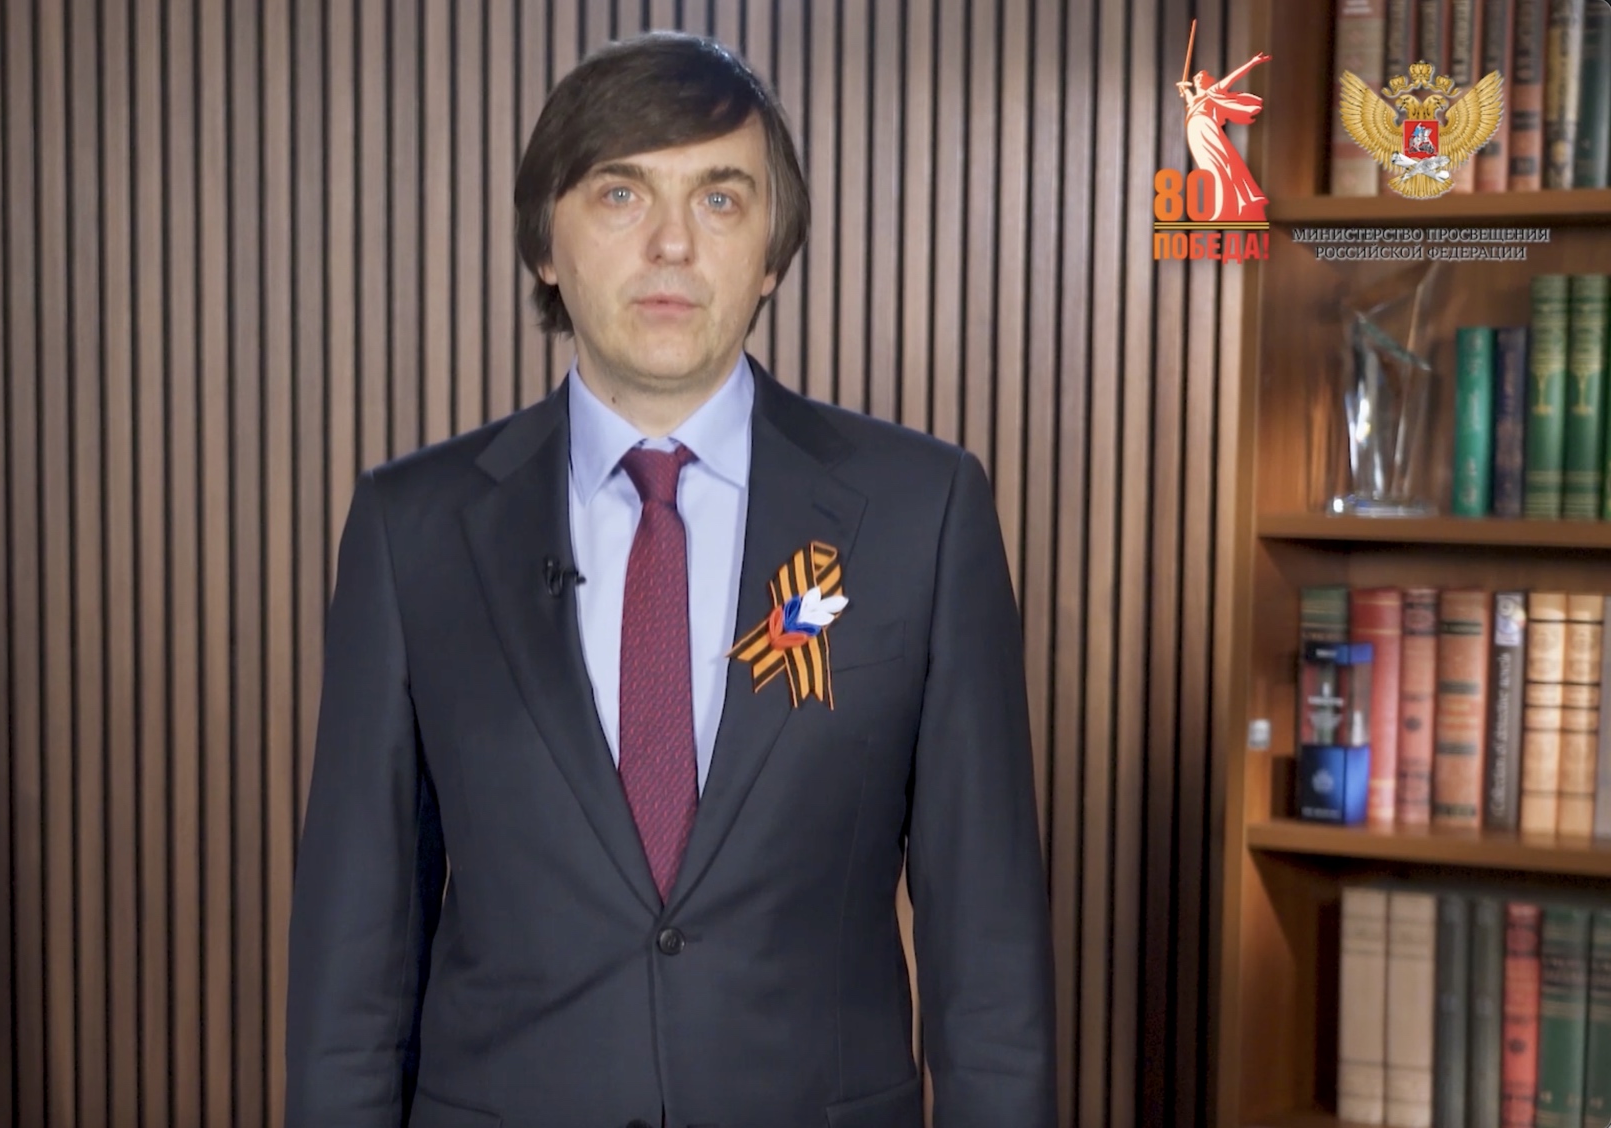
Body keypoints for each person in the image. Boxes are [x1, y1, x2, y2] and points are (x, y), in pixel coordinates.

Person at [285, 30, 1055, 1128]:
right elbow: (351, 980)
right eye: (620, 194)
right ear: (545, 243)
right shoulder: (413, 531)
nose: (672, 244)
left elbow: (990, 968)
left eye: (720, 199)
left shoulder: (921, 515)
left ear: (771, 254)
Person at [1176, 51, 1271, 222]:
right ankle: (1221, 206)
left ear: (1208, 81)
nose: (1199, 78)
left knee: (1220, 163)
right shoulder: (1195, 99)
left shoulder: (1213, 91)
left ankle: (1229, 205)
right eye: (1197, 77)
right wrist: (1184, 90)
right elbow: (1192, 102)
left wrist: (1252, 62)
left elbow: (1233, 77)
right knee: (1208, 166)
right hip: (1195, 131)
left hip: (1206, 128)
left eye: (1202, 76)